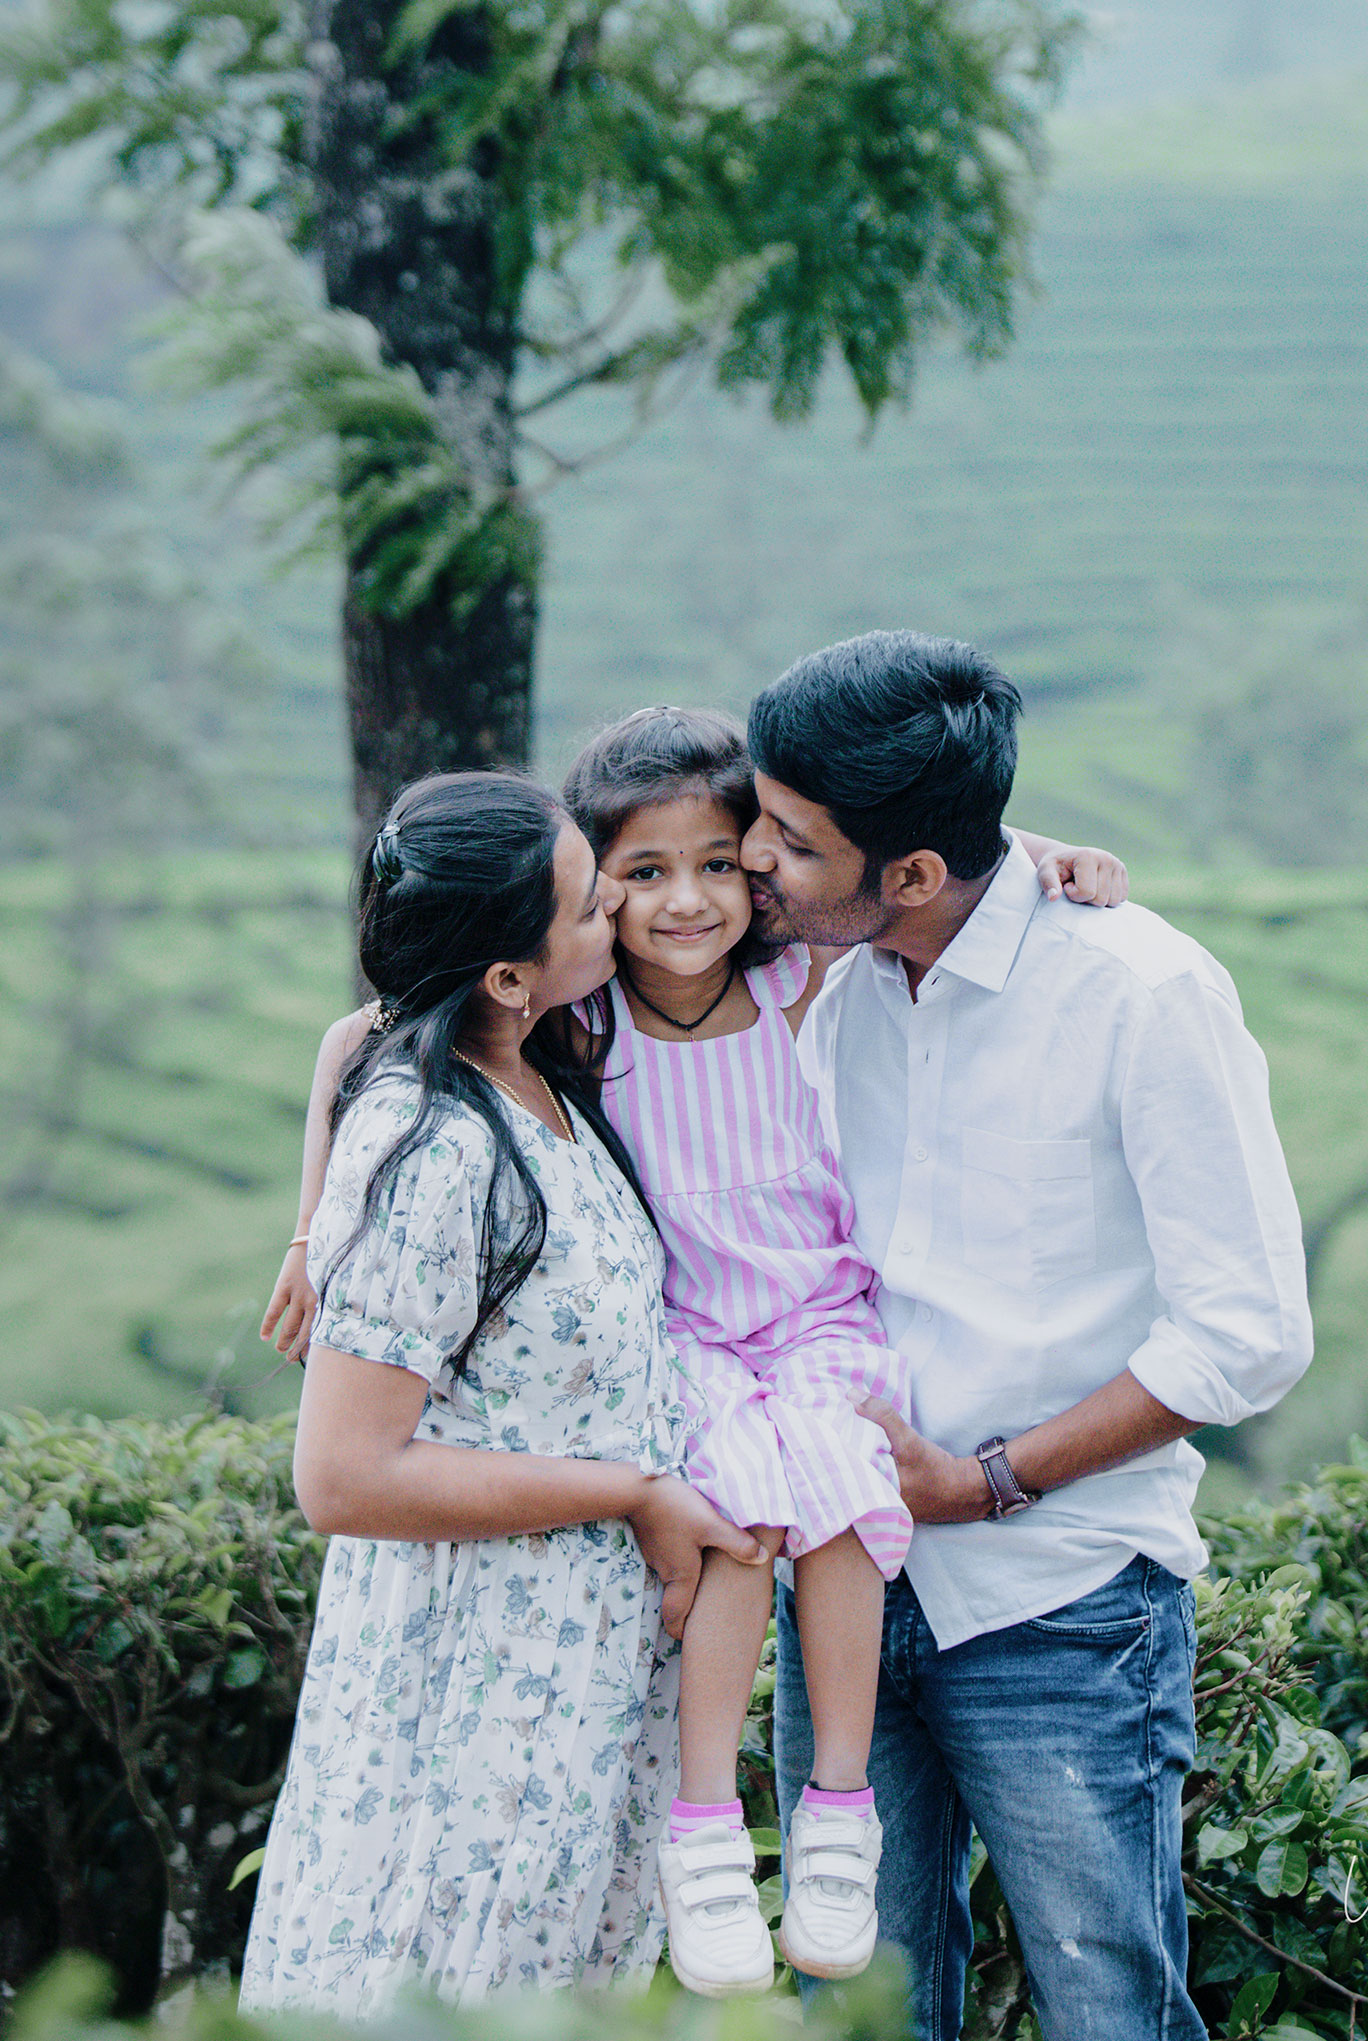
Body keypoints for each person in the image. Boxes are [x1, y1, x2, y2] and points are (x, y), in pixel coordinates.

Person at [265, 712, 1126, 2002]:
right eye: (621, 884)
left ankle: (834, 1817)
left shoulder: (773, 979)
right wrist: (308, 1226)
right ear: (563, 919)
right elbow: (360, 1037)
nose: (667, 905)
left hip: (799, 1333)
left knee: (841, 1484)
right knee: (732, 1511)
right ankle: (710, 1831)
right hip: (674, 1382)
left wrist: (1019, 849)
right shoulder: (567, 1025)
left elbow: (869, 874)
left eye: (716, 866)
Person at [739, 631, 1314, 2041]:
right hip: (843, 1584)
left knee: (1105, 2006)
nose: (753, 860)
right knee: (852, 2010)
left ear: (915, 874)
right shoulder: (825, 976)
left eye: (791, 843)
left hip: (1060, 1604)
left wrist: (988, 1478)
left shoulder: (1140, 990)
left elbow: (1248, 1332)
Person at [241, 771, 762, 2019]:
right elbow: (344, 1475)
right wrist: (632, 1491)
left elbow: (353, 1030)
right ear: (506, 976)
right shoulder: (435, 1144)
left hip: (577, 1690)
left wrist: (1026, 852)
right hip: (469, 1706)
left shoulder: (541, 1069)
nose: (625, 922)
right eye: (593, 905)